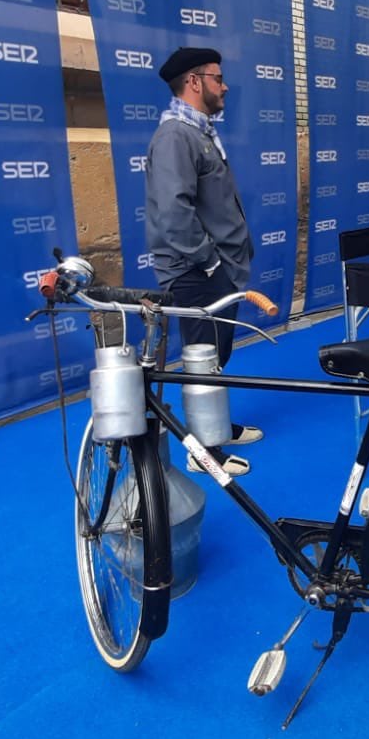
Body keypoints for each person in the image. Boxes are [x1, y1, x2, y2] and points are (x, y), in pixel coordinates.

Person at [144, 45, 262, 454]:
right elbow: (174, 211)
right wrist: (210, 263)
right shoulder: (176, 135)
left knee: (213, 358)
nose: (224, 86)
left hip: (214, 269)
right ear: (194, 82)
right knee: (201, 361)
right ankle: (204, 452)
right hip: (198, 272)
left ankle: (216, 430)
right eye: (217, 78)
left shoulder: (196, 132)